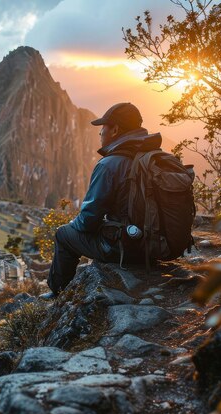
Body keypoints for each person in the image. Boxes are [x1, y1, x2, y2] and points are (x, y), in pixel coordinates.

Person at [44, 102, 162, 297]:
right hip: (155, 243)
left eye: (102, 129)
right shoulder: (154, 157)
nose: (100, 134)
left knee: (63, 234)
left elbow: (88, 221)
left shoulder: (109, 165)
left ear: (115, 130)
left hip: (125, 247)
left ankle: (57, 292)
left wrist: (75, 223)